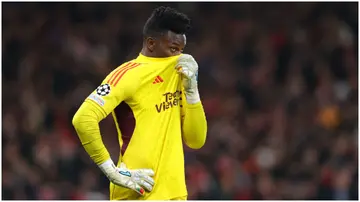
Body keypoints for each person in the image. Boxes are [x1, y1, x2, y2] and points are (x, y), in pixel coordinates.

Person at [72, 6, 207, 200]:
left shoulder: (180, 74)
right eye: (173, 49)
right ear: (151, 44)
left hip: (175, 194)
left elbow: (196, 140)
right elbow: (83, 119)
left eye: (181, 50)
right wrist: (112, 171)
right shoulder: (128, 75)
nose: (179, 56)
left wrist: (192, 92)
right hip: (137, 191)